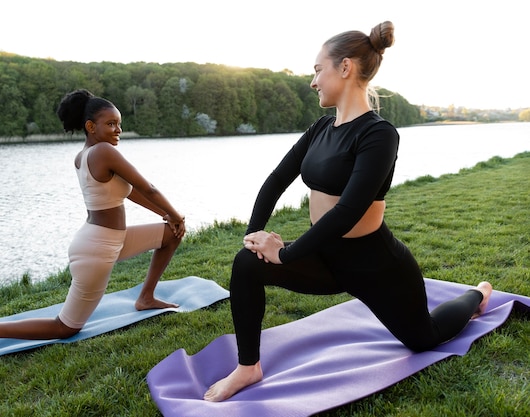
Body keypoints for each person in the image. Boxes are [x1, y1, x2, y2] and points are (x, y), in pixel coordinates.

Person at [203, 21, 492, 402]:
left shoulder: (380, 134)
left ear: (345, 68)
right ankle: (248, 367)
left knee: (425, 339)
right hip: (324, 257)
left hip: (374, 265)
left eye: (317, 69)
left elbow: (350, 210)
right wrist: (255, 234)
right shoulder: (321, 128)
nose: (312, 81)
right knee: (247, 263)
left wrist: (285, 252)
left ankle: (477, 296)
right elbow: (276, 180)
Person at [0, 89, 186, 362]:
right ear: (90, 126)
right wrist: (176, 214)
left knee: (171, 235)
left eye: (119, 124)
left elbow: (130, 191)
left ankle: (146, 297)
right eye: (111, 124)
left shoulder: (86, 155)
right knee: (65, 327)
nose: (118, 130)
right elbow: (149, 187)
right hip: (97, 250)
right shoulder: (103, 152)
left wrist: (167, 217)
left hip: (108, 240)